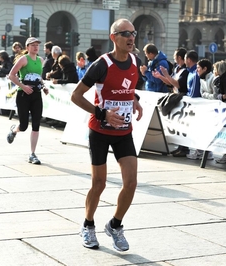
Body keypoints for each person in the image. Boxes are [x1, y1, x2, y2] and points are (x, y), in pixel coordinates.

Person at [71, 18, 143, 252]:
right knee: (99, 184)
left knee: (131, 183)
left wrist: (135, 101)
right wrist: (102, 113)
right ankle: (88, 224)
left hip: (124, 131)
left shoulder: (135, 60)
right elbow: (76, 96)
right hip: (100, 131)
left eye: (133, 33)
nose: (131, 37)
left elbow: (126, 87)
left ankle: (115, 225)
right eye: (125, 33)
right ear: (114, 38)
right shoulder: (101, 65)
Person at [6, 37, 49, 165]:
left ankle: (32, 154)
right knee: (24, 126)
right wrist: (23, 87)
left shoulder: (41, 60)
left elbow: (38, 78)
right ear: (27, 47)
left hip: (36, 95)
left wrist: (44, 86)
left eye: (37, 45)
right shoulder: (24, 59)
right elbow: (11, 75)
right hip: (23, 96)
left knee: (36, 125)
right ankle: (14, 130)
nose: (36, 47)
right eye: (33, 45)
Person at [186, 59, 215, 160]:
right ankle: (200, 152)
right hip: (205, 109)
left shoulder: (213, 78)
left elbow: (215, 95)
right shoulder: (201, 78)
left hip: (213, 111)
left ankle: (207, 153)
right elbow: (203, 93)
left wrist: (205, 96)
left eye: (198, 68)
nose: (197, 70)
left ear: (205, 68)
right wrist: (206, 95)